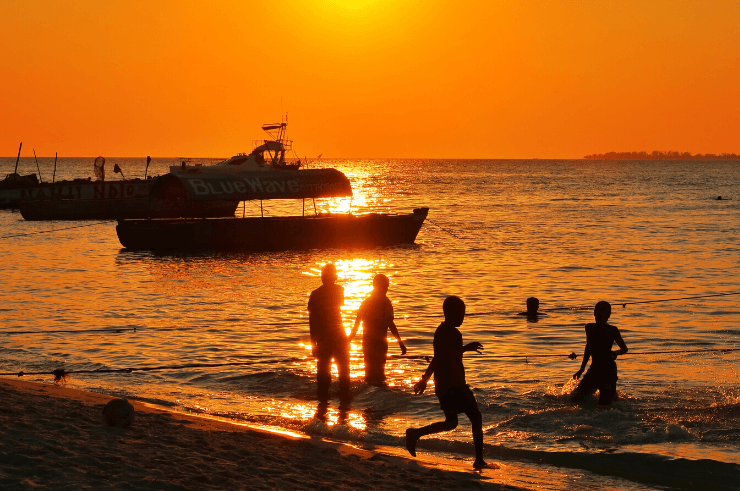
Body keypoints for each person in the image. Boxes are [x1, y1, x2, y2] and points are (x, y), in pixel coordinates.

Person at [405, 296, 487, 469]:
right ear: (451, 313)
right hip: (454, 385)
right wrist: (424, 379)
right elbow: (441, 357)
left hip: (442, 385)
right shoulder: (453, 333)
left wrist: (426, 380)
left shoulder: (440, 330)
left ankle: (415, 434)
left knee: (451, 422)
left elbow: (444, 354)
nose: (463, 317)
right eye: (461, 313)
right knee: (476, 417)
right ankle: (479, 460)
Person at [349, 274, 406, 383]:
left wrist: (349, 339)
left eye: (387, 286)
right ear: (378, 286)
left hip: (367, 343)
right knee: (380, 374)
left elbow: (356, 324)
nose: (386, 289)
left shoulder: (365, 302)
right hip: (380, 344)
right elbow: (391, 324)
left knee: (369, 374)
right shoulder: (386, 302)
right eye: (385, 286)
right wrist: (400, 343)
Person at [571, 301, 628, 405]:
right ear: (594, 313)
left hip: (608, 369)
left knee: (605, 404)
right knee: (575, 398)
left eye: (603, 314)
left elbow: (624, 348)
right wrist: (581, 369)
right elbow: (588, 347)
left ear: (608, 316)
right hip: (594, 368)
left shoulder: (612, 330)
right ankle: (612, 394)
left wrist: (615, 353)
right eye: (598, 313)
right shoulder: (589, 328)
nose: (599, 316)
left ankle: (612, 394)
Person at [307, 263, 350, 401]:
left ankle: (323, 404)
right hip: (338, 336)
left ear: (322, 278)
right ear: (335, 277)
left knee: (324, 375)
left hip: (324, 338)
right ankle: (344, 405)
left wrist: (313, 342)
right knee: (344, 373)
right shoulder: (339, 290)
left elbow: (312, 322)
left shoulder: (315, 295)